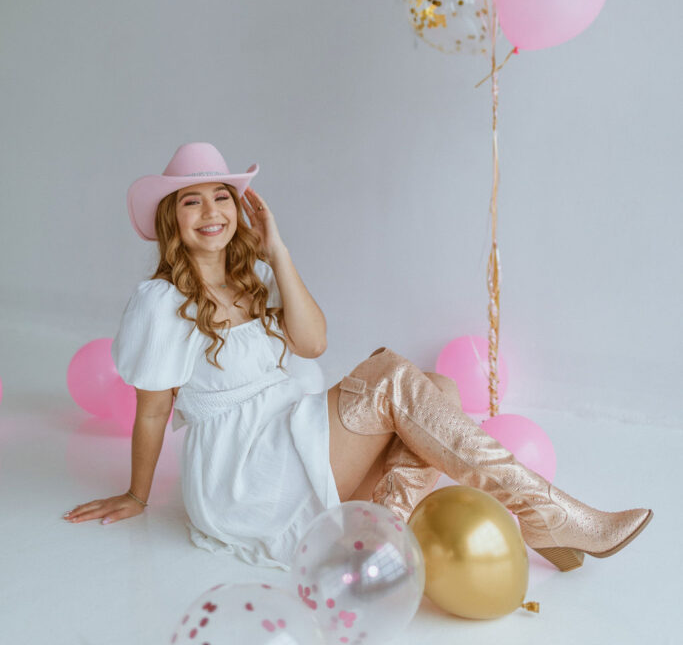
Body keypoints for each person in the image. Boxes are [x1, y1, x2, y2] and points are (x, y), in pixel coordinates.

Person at [63, 142, 653, 572]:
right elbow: (150, 411)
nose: (212, 211)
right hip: (245, 470)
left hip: (290, 434)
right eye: (192, 202)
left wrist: (280, 252)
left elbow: (313, 344)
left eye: (222, 196)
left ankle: (380, 536)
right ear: (172, 220)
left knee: (439, 389)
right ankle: (547, 511)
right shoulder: (162, 302)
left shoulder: (255, 278)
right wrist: (138, 495)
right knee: (395, 378)